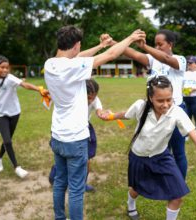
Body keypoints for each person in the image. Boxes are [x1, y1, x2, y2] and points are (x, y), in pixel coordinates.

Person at [44, 25, 145, 220]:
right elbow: (112, 54)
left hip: (57, 136)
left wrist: (100, 46)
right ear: (76, 45)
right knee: (75, 188)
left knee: (60, 182)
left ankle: (59, 217)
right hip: (75, 138)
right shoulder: (73, 66)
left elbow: (79, 56)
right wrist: (130, 38)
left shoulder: (50, 63)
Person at [108, 76, 196, 220]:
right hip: (139, 156)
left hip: (161, 157)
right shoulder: (140, 106)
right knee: (136, 189)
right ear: (151, 97)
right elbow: (126, 115)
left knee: (177, 195)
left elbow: (194, 135)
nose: (165, 104)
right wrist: (111, 116)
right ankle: (130, 205)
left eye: (169, 99)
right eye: (160, 100)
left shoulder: (176, 112)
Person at [116, 29, 189, 178]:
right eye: (155, 44)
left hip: (173, 110)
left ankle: (179, 182)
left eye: (160, 44)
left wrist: (145, 46)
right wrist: (112, 43)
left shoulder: (180, 60)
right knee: (160, 149)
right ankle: (162, 176)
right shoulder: (153, 59)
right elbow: (133, 54)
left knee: (178, 150)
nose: (157, 47)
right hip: (154, 111)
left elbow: (167, 60)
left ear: (170, 44)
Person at [0, 55, 48, 178]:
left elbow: (25, 85)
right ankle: (17, 167)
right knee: (7, 140)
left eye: (7, 67)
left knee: (8, 140)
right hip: (1, 114)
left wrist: (39, 89)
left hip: (15, 113)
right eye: (2, 67)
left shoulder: (10, 78)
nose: (5, 70)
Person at [48, 79, 105, 193]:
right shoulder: (71, 98)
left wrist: (105, 114)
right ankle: (54, 176)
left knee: (86, 160)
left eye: (93, 97)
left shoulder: (95, 100)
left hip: (84, 130)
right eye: (88, 97)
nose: (91, 100)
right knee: (64, 157)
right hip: (67, 130)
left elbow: (99, 111)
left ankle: (82, 184)